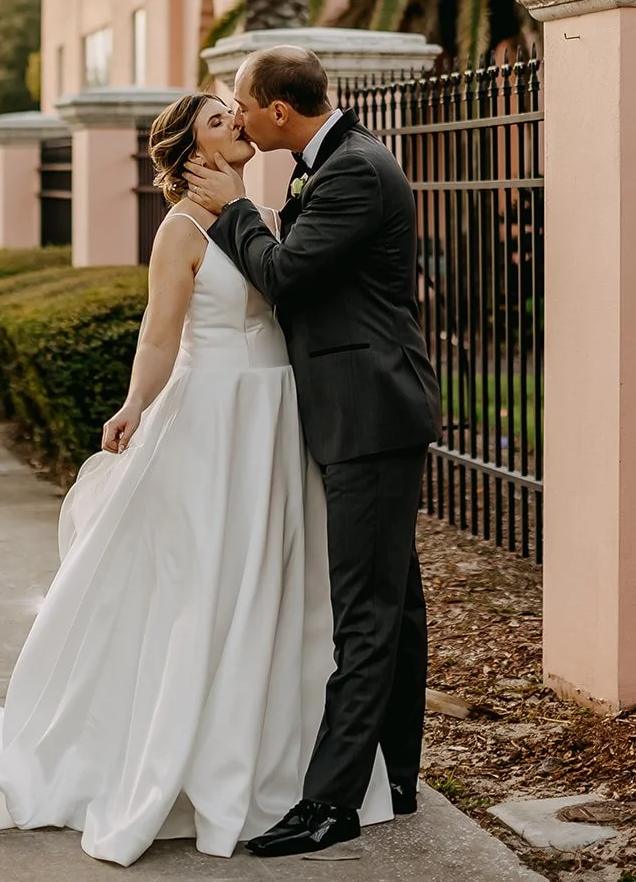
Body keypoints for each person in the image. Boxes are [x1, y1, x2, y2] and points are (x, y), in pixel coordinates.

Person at [0, 93, 392, 866]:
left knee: (281, 582)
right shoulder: (181, 229)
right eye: (220, 121)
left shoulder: (267, 212)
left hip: (276, 417)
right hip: (213, 420)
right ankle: (181, 752)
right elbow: (159, 334)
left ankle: (277, 756)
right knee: (206, 582)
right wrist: (133, 404)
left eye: (236, 115)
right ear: (188, 153)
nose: (239, 125)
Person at [186, 45, 443, 859]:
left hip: (367, 413)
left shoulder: (354, 170)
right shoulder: (324, 160)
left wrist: (233, 210)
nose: (237, 115)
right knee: (393, 604)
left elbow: (289, 275)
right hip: (364, 408)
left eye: (242, 104)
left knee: (364, 611)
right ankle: (394, 776)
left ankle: (331, 802)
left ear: (279, 111)